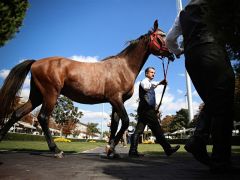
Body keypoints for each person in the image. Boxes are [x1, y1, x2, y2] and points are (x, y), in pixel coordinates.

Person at [166, 0, 235, 172]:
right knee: (223, 105)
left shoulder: (182, 14)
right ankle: (219, 161)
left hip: (192, 58)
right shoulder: (214, 4)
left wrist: (179, 51)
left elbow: (169, 39)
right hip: (212, 51)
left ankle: (198, 139)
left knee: (214, 101)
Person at [128, 67, 180, 157]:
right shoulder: (144, 81)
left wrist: (160, 83)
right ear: (146, 73)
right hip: (147, 110)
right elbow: (146, 87)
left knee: (138, 130)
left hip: (145, 110)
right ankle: (168, 149)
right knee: (157, 130)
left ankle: (133, 151)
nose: (153, 74)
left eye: (154, 73)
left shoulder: (150, 83)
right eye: (151, 72)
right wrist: (160, 83)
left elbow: (152, 86)